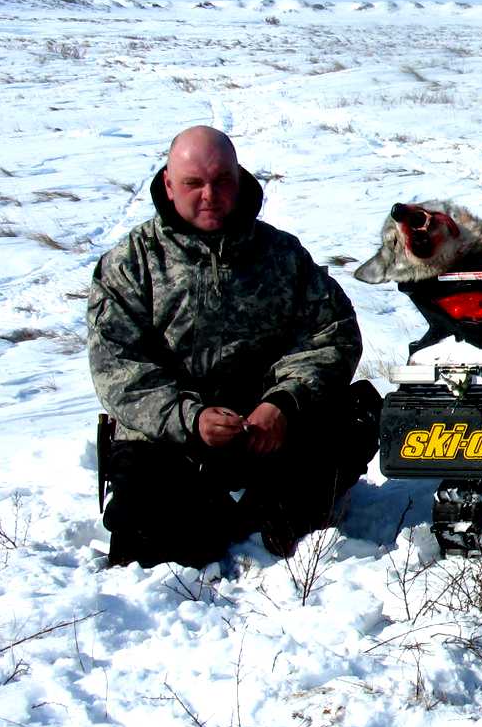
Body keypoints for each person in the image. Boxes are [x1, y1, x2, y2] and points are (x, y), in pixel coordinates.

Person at [88, 126, 379, 567]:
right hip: (172, 440)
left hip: (267, 430)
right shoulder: (130, 264)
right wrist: (191, 419)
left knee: (359, 414)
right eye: (193, 184)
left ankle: (276, 510)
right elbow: (118, 369)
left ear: (239, 178)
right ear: (169, 184)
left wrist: (284, 402)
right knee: (153, 551)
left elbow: (333, 332)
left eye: (222, 180)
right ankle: (215, 512)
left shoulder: (281, 255)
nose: (210, 194)